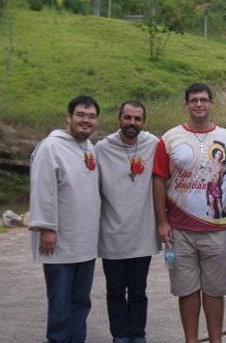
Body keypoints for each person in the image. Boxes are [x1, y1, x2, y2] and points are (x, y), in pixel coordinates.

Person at [152, 83, 226, 343]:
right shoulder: (169, 138)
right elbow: (159, 179)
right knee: (186, 290)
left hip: (217, 229)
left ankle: (216, 340)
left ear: (211, 103)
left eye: (203, 99)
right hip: (180, 230)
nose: (198, 104)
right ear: (186, 104)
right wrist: (162, 222)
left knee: (214, 291)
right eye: (193, 100)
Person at [28, 95, 101, 343]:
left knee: (81, 301)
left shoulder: (89, 147)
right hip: (59, 242)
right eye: (80, 115)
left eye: (91, 116)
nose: (86, 120)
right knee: (60, 302)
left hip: (85, 242)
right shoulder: (50, 147)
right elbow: (42, 190)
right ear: (68, 117)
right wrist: (47, 228)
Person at [95, 100, 160, 343]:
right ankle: (120, 334)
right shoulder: (102, 148)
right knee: (114, 291)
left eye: (137, 119)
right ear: (119, 119)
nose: (132, 123)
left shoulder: (153, 145)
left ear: (143, 122)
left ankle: (138, 333)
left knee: (138, 290)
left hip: (142, 233)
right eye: (128, 118)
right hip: (112, 233)